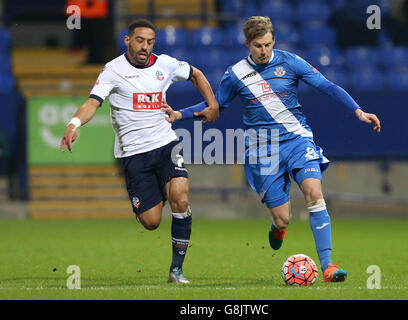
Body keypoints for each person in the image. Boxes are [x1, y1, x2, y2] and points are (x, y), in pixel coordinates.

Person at [162, 16, 381, 283]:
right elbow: (214, 107)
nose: (263, 51)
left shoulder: (290, 62)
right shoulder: (236, 74)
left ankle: (328, 266)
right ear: (248, 44)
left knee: (313, 192)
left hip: (297, 140)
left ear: (273, 40)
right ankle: (278, 228)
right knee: (283, 219)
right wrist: (179, 115)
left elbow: (327, 86)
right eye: (257, 46)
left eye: (267, 44)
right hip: (261, 150)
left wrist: (358, 110)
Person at [60, 19, 219, 283]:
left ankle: (176, 270)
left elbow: (196, 74)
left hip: (166, 144)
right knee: (151, 221)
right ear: (127, 40)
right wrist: (74, 123)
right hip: (134, 154)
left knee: (180, 196)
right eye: (139, 40)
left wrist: (212, 103)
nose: (145, 47)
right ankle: (160, 191)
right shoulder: (112, 70)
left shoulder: (165, 64)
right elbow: (92, 102)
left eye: (150, 42)